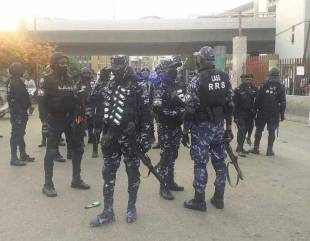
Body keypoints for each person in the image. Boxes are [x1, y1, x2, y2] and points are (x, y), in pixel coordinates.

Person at [90, 55, 152, 226]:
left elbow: (147, 114)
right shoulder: (109, 84)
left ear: (125, 68)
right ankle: (107, 211)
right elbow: (92, 100)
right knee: (108, 173)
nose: (115, 73)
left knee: (133, 174)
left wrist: (146, 137)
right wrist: (101, 79)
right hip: (111, 137)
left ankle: (131, 207)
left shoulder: (139, 85)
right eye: (113, 70)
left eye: (118, 70)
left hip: (132, 138)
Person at [183, 46, 234, 211]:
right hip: (219, 127)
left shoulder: (197, 80)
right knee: (219, 163)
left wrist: (185, 130)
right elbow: (229, 105)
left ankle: (199, 200)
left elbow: (190, 109)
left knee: (200, 164)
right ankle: (219, 198)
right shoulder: (224, 77)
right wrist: (228, 128)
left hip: (201, 129)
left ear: (201, 60)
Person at [41, 52, 90, 197]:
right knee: (51, 152)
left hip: (72, 120)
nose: (64, 65)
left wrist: (80, 120)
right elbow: (42, 103)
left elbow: (77, 101)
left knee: (78, 149)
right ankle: (47, 184)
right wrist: (44, 122)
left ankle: (76, 179)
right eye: (61, 63)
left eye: (66, 63)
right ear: (54, 64)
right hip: (55, 120)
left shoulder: (70, 80)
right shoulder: (47, 80)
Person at [152, 59, 185, 200]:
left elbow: (184, 100)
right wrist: (177, 113)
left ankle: (170, 182)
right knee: (166, 157)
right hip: (166, 127)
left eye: (175, 68)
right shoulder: (160, 86)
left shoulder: (176, 84)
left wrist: (184, 109)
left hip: (176, 126)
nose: (174, 71)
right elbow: (157, 108)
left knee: (173, 155)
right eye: (171, 68)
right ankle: (163, 186)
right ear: (164, 70)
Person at [251, 68, 286, 156]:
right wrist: (282, 115)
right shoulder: (280, 87)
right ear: (278, 75)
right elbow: (283, 102)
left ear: (269, 74)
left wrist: (255, 110)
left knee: (259, 129)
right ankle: (269, 150)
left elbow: (258, 99)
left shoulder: (264, 84)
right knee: (272, 131)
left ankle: (256, 148)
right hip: (274, 113)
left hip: (262, 111)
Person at [7, 63, 35, 166]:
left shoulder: (17, 81)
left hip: (20, 112)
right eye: (24, 70)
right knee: (16, 135)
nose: (26, 72)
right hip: (18, 113)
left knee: (20, 134)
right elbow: (15, 99)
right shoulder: (16, 83)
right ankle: (14, 158)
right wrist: (22, 109)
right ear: (19, 71)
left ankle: (23, 154)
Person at [88, 68, 111, 158]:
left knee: (107, 131)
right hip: (100, 110)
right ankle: (95, 150)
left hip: (109, 111)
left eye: (107, 74)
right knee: (97, 131)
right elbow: (91, 98)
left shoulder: (112, 84)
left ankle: (105, 150)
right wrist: (99, 94)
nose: (105, 76)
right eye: (103, 74)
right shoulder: (97, 85)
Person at [233, 74, 257, 157]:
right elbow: (234, 104)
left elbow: (257, 101)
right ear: (243, 80)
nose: (248, 81)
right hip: (240, 114)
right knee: (241, 130)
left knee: (247, 130)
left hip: (250, 114)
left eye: (250, 79)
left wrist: (255, 111)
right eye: (247, 80)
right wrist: (235, 116)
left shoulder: (254, 89)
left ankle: (240, 147)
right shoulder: (238, 90)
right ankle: (240, 149)